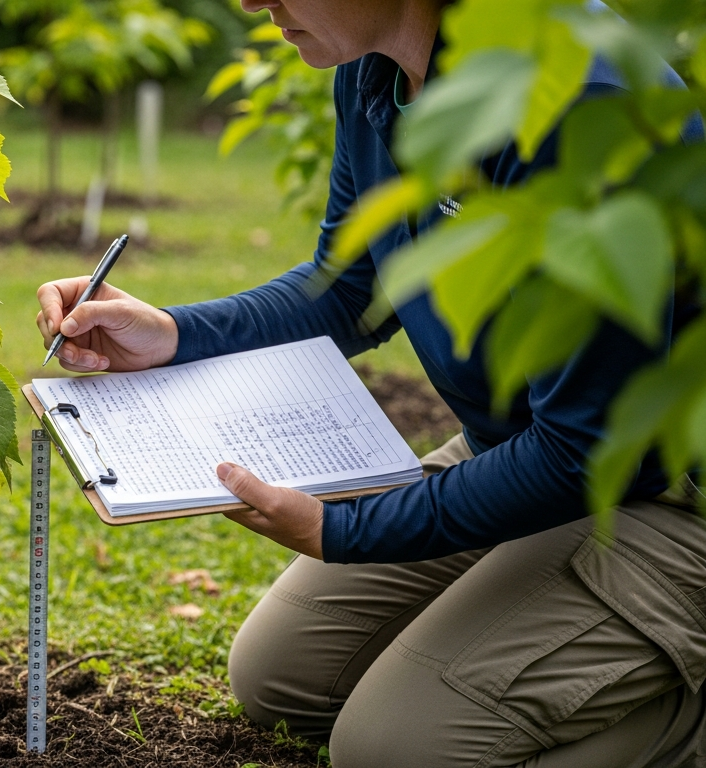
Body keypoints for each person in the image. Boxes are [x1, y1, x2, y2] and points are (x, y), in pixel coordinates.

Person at [34, 0, 706, 765]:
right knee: (282, 677)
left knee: (393, 748)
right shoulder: (375, 69)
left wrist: (344, 531)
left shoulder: (572, 98)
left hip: (661, 484)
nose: (251, 2)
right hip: (526, 447)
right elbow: (354, 283)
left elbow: (583, 449)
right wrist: (177, 334)